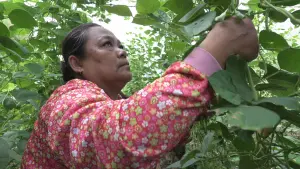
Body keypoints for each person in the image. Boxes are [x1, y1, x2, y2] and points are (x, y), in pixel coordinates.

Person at [21, 17, 259, 169]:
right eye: (106, 44)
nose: (121, 52)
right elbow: (116, 145)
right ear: (77, 64)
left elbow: (149, 140)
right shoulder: (65, 100)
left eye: (120, 45)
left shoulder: (121, 103)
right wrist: (215, 48)